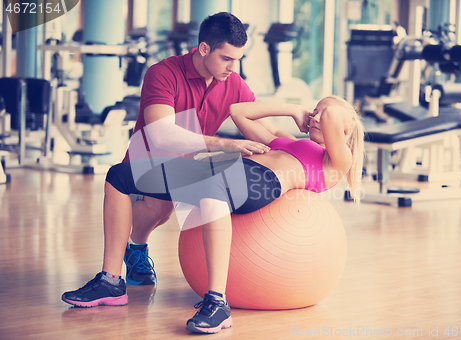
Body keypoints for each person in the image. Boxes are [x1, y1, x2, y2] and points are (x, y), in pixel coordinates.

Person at [61, 95, 365, 334]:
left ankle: (217, 303)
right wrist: (293, 109)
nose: (314, 117)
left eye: (320, 114)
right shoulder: (288, 140)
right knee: (119, 176)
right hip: (218, 164)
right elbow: (238, 111)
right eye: (314, 111)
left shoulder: (336, 162)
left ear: (344, 129)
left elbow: (337, 116)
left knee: (213, 191)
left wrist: (331, 113)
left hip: (260, 180)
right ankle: (111, 281)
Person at [120, 12, 271, 286]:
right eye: (226, 58)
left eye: (237, 60)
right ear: (204, 48)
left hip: (188, 166)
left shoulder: (232, 83)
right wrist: (226, 144)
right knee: (161, 207)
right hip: (145, 165)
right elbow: (162, 135)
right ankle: (136, 248)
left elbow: (262, 127)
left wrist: (299, 145)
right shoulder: (163, 73)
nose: (232, 68)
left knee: (222, 192)